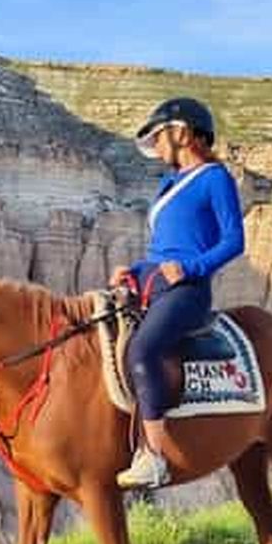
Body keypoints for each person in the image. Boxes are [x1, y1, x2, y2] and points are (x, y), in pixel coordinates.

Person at [111, 97, 245, 489]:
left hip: (188, 291)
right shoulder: (168, 185)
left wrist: (192, 267)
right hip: (157, 284)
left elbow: (234, 240)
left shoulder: (214, 177)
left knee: (143, 350)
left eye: (159, 136)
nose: (156, 147)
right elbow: (162, 252)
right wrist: (133, 271)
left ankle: (154, 457)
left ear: (182, 133)